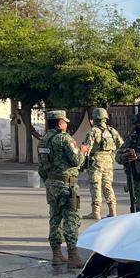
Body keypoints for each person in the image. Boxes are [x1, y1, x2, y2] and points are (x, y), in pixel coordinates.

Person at [38, 110, 86, 268]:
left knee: (55, 217)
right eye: (65, 122)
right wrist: (83, 151)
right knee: (71, 218)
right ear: (60, 123)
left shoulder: (43, 141)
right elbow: (76, 161)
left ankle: (57, 255)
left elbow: (42, 167)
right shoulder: (65, 138)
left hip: (51, 184)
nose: (66, 125)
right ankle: (73, 256)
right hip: (67, 184)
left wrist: (49, 181)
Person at [83, 107, 122, 219]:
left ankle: (96, 212)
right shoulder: (112, 131)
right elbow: (121, 145)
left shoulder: (93, 131)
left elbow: (87, 148)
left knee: (95, 185)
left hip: (96, 162)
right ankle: (112, 210)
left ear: (95, 118)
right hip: (109, 162)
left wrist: (83, 161)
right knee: (108, 186)